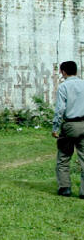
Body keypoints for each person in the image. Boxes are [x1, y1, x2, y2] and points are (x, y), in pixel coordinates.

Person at [51, 61, 84, 198]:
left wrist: (55, 127)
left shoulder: (63, 87)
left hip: (69, 125)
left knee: (63, 157)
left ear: (64, 72)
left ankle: (65, 187)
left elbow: (60, 110)